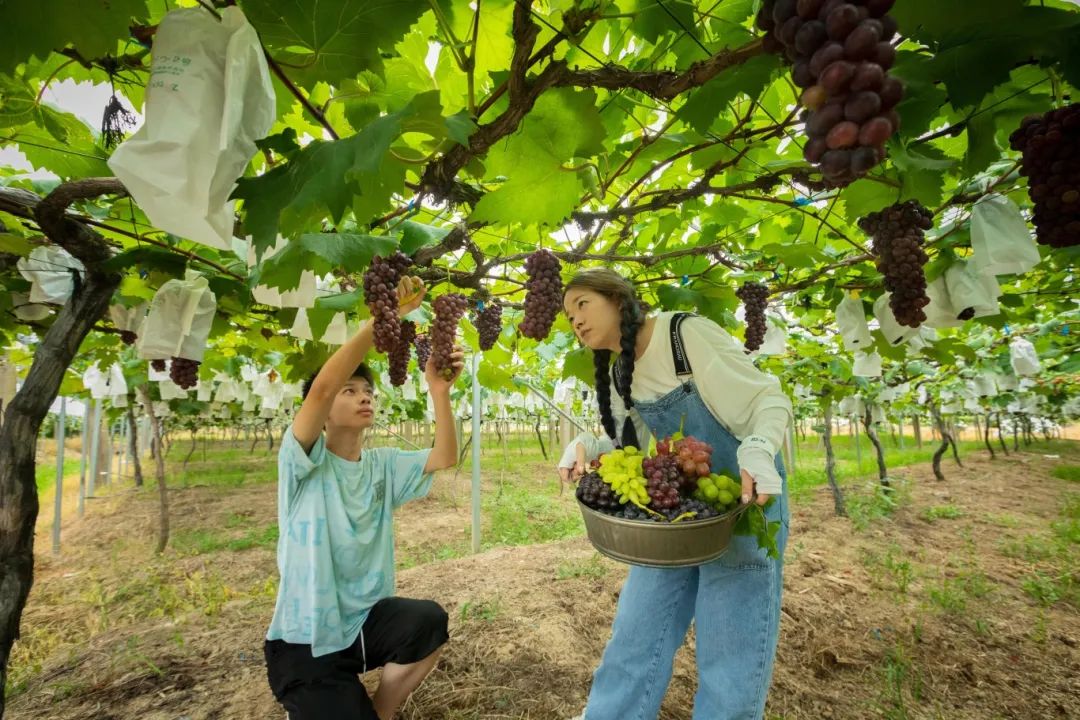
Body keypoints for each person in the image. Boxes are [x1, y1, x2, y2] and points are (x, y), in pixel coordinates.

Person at [561, 268, 792, 720]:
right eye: (569, 317)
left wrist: (761, 448)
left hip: (743, 507)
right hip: (674, 516)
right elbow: (633, 446)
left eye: (583, 304)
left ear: (619, 299)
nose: (577, 322)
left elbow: (769, 399)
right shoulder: (618, 371)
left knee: (730, 652)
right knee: (635, 632)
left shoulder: (684, 336)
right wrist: (587, 446)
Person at [263, 276, 465, 720]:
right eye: (349, 391)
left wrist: (439, 392)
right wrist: (383, 320)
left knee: (428, 622)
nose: (363, 397)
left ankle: (381, 712)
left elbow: (445, 455)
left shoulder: (382, 465)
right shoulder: (302, 462)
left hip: (358, 629)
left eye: (368, 392)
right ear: (322, 411)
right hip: (304, 644)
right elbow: (320, 388)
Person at [557, 428, 615, 493]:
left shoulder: (582, 448)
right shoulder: (588, 456)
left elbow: (581, 443)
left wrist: (581, 466)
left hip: (614, 442)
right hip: (611, 445)